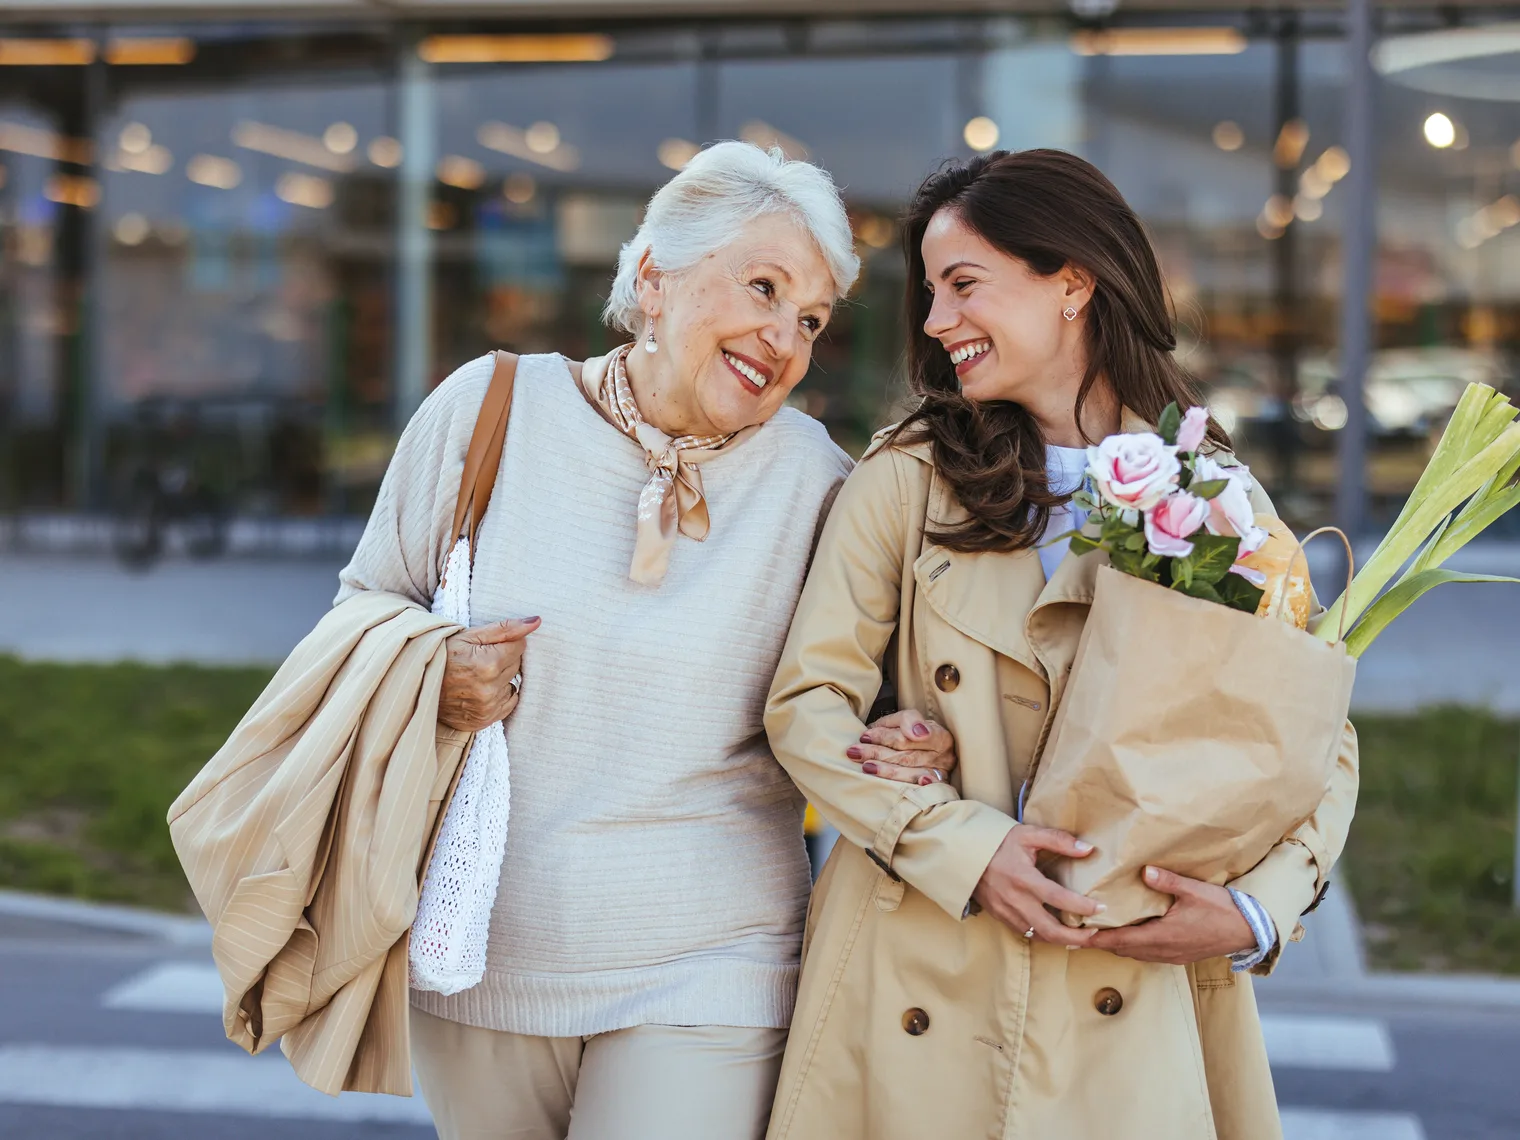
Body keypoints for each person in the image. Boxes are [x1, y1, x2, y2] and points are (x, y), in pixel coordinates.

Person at [335, 141, 955, 1140]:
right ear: (656, 278)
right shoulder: (488, 410)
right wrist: (430, 675)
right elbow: (364, 609)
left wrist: (904, 738)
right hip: (483, 951)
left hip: (715, 959)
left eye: (810, 319)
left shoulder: (816, 480)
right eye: (763, 288)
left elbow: (865, 689)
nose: (785, 338)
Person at [762, 149, 1359, 1140]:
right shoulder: (904, 480)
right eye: (930, 292)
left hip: (1131, 981)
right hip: (921, 965)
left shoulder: (1212, 495)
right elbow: (806, 705)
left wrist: (1256, 912)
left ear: (1072, 283)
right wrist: (963, 844)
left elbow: (1314, 734)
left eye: (963, 285)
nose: (935, 320)